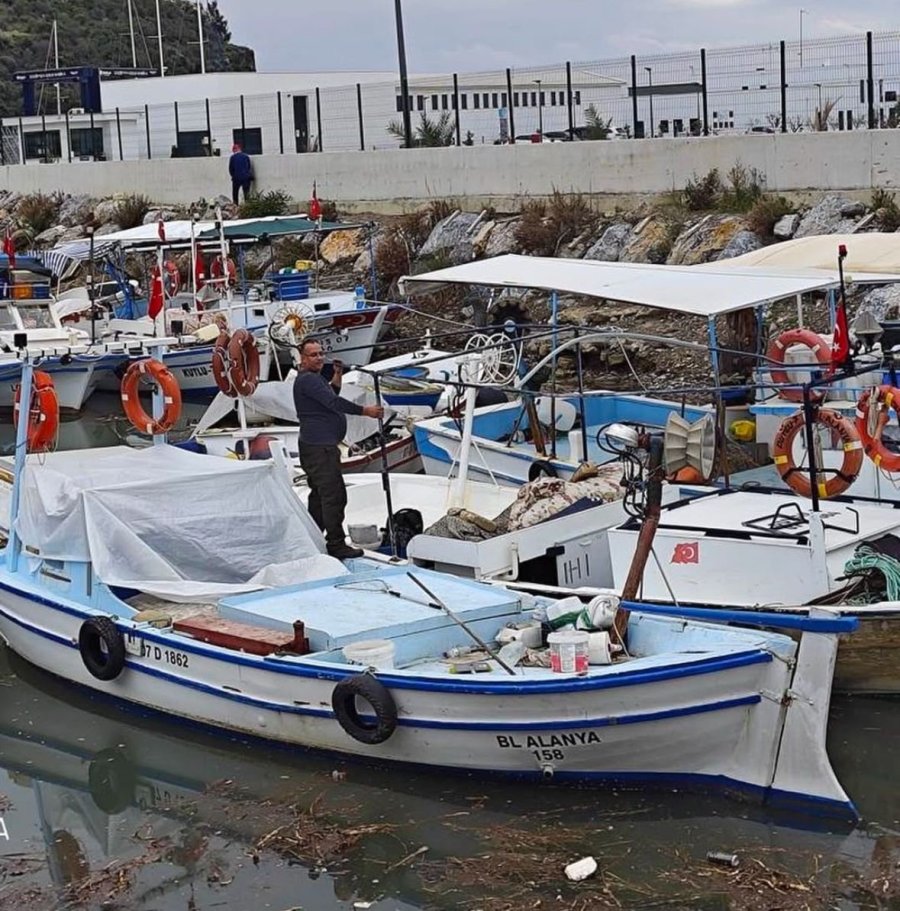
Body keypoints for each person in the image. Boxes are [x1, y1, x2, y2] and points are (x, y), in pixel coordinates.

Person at [294, 338, 384, 559]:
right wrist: (366, 411)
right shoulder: (308, 380)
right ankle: (335, 543)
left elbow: (331, 393)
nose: (319, 358)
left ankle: (312, 535)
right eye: (313, 355)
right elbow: (334, 403)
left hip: (316, 446)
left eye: (320, 353)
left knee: (319, 495)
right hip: (320, 448)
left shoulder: (314, 380)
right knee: (334, 495)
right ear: (303, 359)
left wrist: (337, 374)